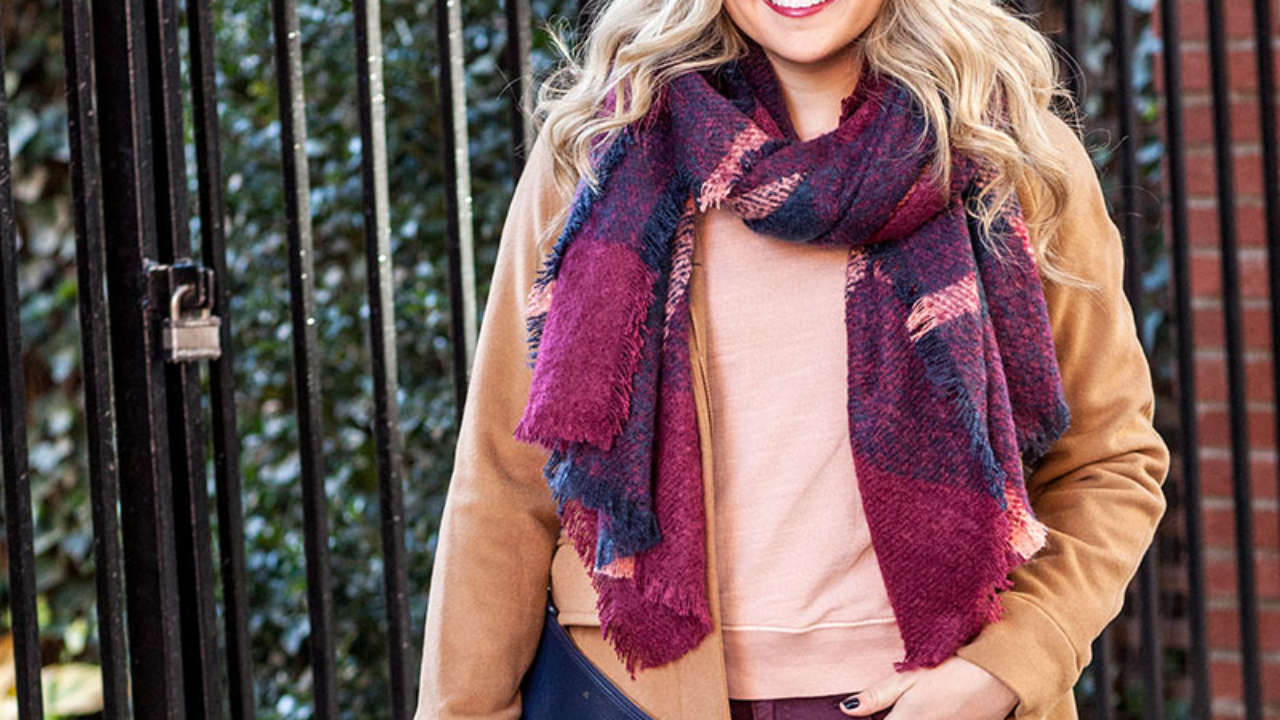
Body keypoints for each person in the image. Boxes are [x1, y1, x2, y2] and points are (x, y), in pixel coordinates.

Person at [413, 0, 1171, 718]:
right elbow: (506, 482)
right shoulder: (602, 149)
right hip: (633, 693)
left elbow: (1109, 462)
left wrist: (1006, 666)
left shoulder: (1007, 154)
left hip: (928, 695)